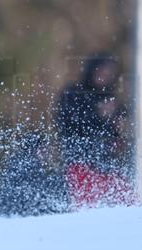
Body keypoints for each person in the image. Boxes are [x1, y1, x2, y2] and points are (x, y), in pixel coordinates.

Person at [55, 53, 133, 209]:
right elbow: (70, 119)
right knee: (88, 209)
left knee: (130, 203)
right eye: (101, 72)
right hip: (79, 164)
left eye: (108, 73)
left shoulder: (111, 99)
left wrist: (118, 130)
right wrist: (98, 113)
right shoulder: (72, 93)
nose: (104, 77)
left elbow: (117, 135)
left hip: (106, 167)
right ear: (91, 71)